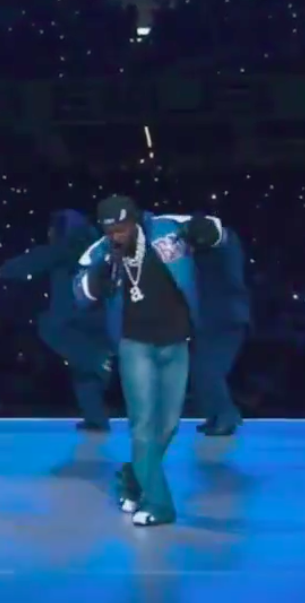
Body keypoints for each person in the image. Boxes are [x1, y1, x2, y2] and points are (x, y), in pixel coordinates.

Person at [73, 194, 227, 527]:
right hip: (135, 346)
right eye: (111, 230)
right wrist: (100, 275)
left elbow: (218, 233)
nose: (117, 236)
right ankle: (159, 504)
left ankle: (133, 478)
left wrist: (204, 232)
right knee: (143, 426)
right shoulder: (101, 252)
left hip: (176, 343)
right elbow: (80, 293)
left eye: (122, 229)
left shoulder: (167, 230)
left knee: (167, 426)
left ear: (135, 221)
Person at [0, 209, 112, 431]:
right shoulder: (97, 248)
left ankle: (99, 363)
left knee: (54, 331)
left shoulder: (68, 246)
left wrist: (3, 271)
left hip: (77, 320)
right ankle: (96, 416)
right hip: (99, 320)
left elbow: (37, 259)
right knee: (84, 370)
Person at [190, 224, 251, 437]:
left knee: (210, 370)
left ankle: (227, 416)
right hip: (210, 320)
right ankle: (216, 415)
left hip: (227, 319)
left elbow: (222, 236)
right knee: (200, 370)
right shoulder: (204, 257)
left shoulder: (226, 248)